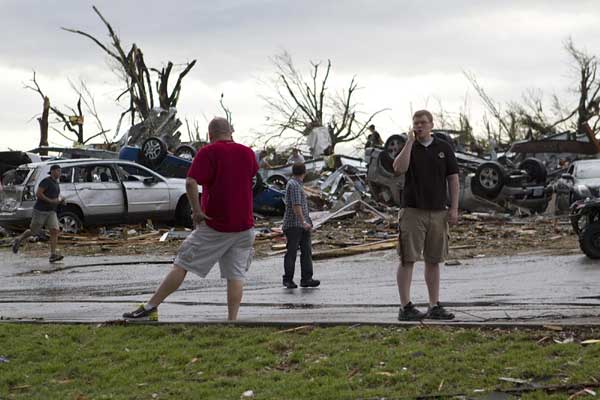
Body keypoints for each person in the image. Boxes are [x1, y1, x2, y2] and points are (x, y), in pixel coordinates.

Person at [123, 117, 258, 321]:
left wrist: (196, 211)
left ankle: (151, 308)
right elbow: (250, 179)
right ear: (231, 132)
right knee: (236, 274)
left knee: (182, 262)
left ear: (210, 135)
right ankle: (232, 320)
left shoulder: (208, 152)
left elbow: (190, 182)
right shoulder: (248, 153)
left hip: (216, 225)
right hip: (244, 228)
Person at [392, 110, 459, 321]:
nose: (419, 126)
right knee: (407, 258)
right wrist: (409, 142)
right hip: (412, 211)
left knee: (434, 259)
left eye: (422, 123)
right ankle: (405, 307)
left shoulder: (443, 148)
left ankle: (434, 305)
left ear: (431, 124)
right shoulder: (409, 147)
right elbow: (398, 168)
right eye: (415, 123)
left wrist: (454, 208)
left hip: (438, 211)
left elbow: (453, 179)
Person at [12, 164, 65, 263]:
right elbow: (38, 194)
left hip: (51, 211)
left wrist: (61, 200)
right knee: (33, 231)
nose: (59, 173)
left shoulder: (56, 183)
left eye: (60, 171)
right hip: (40, 210)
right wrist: (49, 200)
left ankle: (53, 255)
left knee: (55, 230)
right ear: (53, 171)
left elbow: (55, 196)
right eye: (58, 171)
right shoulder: (46, 181)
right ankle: (18, 239)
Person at [282, 163, 320, 289]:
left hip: (302, 224)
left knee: (306, 251)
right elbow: (296, 205)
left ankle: (307, 278)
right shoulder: (294, 185)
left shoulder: (297, 184)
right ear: (304, 172)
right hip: (294, 225)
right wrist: (303, 221)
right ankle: (288, 279)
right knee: (292, 252)